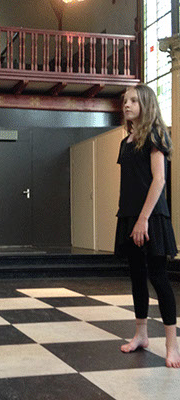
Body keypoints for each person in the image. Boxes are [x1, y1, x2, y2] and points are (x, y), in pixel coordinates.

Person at [115, 84, 180, 368]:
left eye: (133, 100)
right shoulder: (125, 142)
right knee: (137, 277)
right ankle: (141, 334)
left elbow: (159, 180)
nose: (126, 105)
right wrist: (130, 217)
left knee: (159, 277)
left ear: (146, 104)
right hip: (130, 216)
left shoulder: (155, 135)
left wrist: (143, 219)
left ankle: (172, 344)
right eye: (125, 101)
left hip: (151, 216)